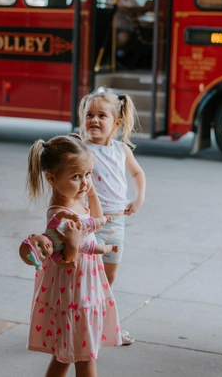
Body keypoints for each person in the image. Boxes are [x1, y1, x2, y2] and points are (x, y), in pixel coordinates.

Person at [25, 134, 121, 377]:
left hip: (84, 286)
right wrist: (74, 244)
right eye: (76, 176)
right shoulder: (59, 214)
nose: (85, 182)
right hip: (72, 291)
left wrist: (90, 192)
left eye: (88, 174)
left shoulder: (76, 200)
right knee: (83, 356)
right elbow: (67, 260)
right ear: (52, 178)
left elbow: (95, 224)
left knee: (68, 354)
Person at [78, 91, 146, 346]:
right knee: (84, 275)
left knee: (108, 279)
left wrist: (139, 198)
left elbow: (138, 173)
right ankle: (82, 322)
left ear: (116, 123)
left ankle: (108, 325)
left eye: (101, 116)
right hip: (88, 224)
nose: (94, 120)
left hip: (116, 223)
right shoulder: (82, 149)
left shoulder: (121, 150)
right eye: (89, 115)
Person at [19, 209, 117, 270]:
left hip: (80, 226)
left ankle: (106, 218)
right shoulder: (54, 254)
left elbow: (59, 215)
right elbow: (61, 264)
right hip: (83, 244)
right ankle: (111, 247)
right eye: (44, 254)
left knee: (98, 222)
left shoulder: (51, 228)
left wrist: (69, 216)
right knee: (101, 250)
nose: (45, 247)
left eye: (39, 245)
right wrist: (69, 265)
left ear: (32, 235)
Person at [106, 0, 153, 68]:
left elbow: (138, 11)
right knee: (125, 37)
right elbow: (124, 9)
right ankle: (109, 55)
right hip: (116, 29)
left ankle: (127, 60)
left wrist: (145, 8)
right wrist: (144, 8)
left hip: (130, 28)